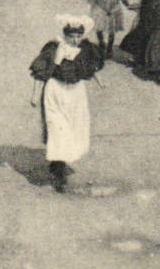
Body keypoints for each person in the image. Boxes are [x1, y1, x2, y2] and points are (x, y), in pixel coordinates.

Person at [28, 15, 104, 193]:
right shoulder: (54, 48)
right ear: (65, 34)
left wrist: (99, 80)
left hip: (76, 93)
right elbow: (41, 72)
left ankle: (58, 163)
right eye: (72, 36)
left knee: (73, 129)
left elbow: (90, 68)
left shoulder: (86, 50)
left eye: (79, 36)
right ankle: (59, 173)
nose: (75, 40)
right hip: (55, 91)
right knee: (57, 128)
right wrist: (34, 94)